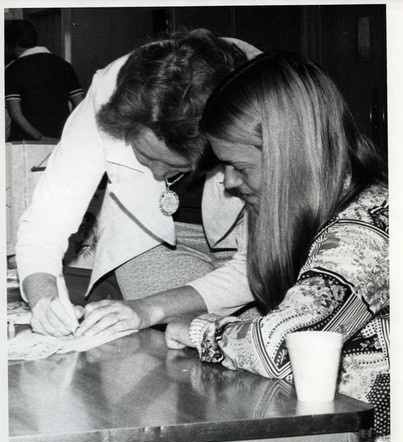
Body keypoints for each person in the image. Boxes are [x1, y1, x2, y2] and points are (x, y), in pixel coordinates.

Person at [163, 52, 389, 442]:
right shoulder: (324, 207)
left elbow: (280, 346)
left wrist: (199, 331)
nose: (230, 182)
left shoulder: (365, 235)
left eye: (240, 166)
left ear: (289, 155)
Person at [16, 29, 261, 337]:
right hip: (152, 242)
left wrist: (147, 309)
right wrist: (43, 297)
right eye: (145, 156)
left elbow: (253, 270)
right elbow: (44, 224)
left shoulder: (259, 103)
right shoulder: (108, 95)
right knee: (154, 349)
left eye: (176, 164)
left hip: (251, 251)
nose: (158, 175)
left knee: (248, 340)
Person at [5, 20, 84, 141]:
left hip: (25, 142)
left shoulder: (12, 70)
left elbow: (16, 114)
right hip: (61, 139)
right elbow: (81, 105)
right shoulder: (64, 66)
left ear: (15, 46)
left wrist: (41, 137)